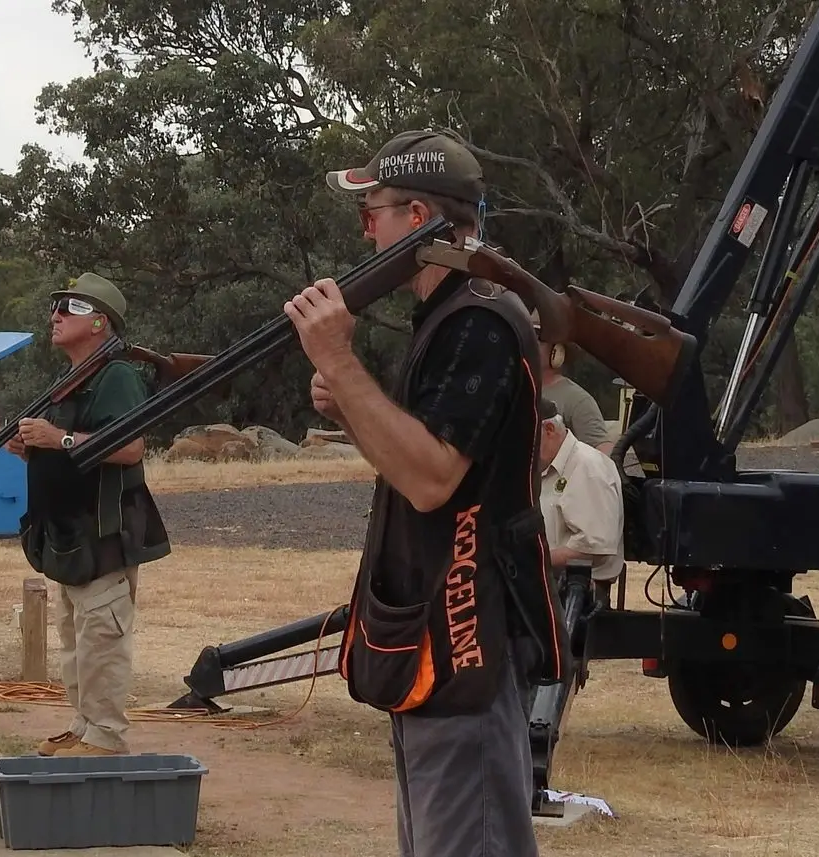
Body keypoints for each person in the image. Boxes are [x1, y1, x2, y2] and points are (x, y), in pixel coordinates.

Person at [284, 130, 568, 857]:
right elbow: (427, 453)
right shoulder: (449, 315)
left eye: (369, 210)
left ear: (416, 218)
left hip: (460, 638)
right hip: (431, 639)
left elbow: (431, 477)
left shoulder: (477, 318)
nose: (363, 228)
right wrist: (348, 401)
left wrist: (341, 364)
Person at [6, 272, 171, 758]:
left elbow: (130, 447)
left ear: (100, 323)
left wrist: (56, 440)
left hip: (104, 531)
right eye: (56, 305)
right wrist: (30, 447)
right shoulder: (70, 383)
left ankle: (105, 738)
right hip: (71, 532)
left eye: (70, 308)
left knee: (102, 637)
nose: (55, 314)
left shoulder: (116, 375)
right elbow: (70, 448)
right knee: (76, 639)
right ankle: (83, 727)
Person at [538, 398, 624, 607]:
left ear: (549, 429)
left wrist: (534, 558)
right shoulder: (548, 466)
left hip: (578, 598)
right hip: (550, 589)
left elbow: (593, 546)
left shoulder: (589, 467)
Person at [533, 314, 614, 454]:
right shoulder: (513, 391)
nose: (528, 343)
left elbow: (603, 458)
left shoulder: (577, 400)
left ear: (557, 352)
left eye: (538, 339)